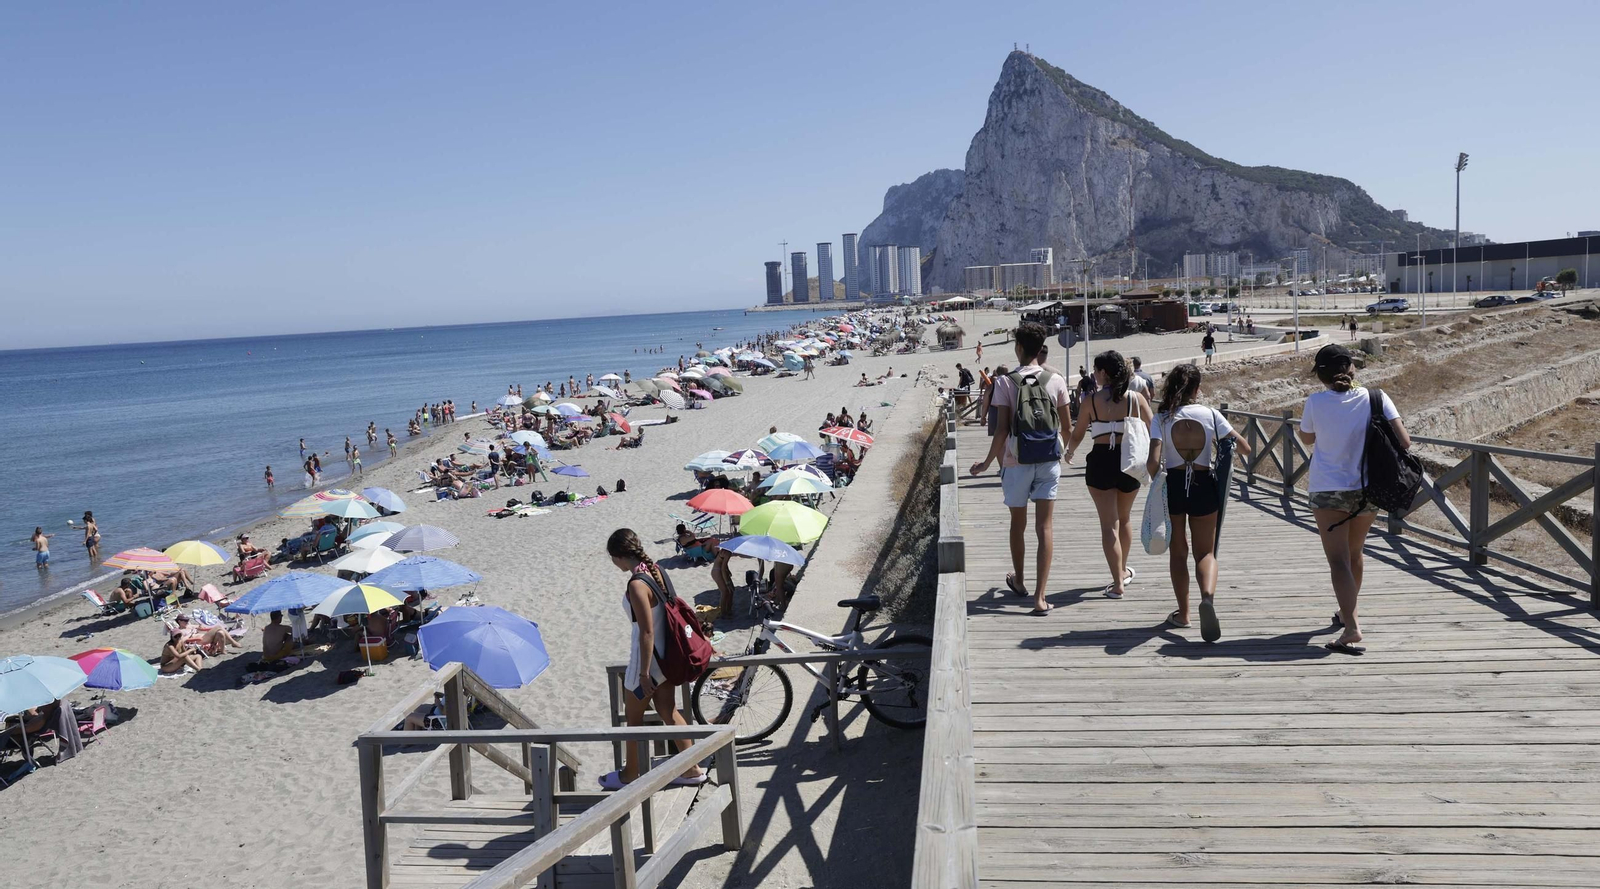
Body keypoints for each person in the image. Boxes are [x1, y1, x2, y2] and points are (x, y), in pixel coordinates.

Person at [1297, 344, 1410, 655]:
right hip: (1367, 489)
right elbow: (1404, 441)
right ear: (1351, 367)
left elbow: (1307, 438)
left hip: (1328, 489)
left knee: (1338, 561)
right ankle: (1347, 613)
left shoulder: (1315, 402)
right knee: (1354, 554)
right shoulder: (1376, 397)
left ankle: (1351, 627)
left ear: (1321, 375)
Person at [968, 322, 1072, 616]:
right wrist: (1059, 450)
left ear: (1018, 348)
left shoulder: (1005, 382)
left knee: (1018, 524)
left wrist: (987, 463)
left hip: (1016, 463)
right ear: (1041, 349)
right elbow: (1067, 426)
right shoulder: (1056, 380)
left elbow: (1001, 430)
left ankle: (1021, 581)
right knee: (1045, 527)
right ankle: (1040, 598)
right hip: (1049, 461)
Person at [1146, 364, 1252, 640]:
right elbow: (1244, 447)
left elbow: (1153, 462)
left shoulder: (1163, 417)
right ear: (1196, 388)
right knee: (1205, 553)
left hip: (1175, 485)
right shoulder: (1211, 414)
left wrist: (1158, 483)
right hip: (1204, 484)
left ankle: (1184, 614)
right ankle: (1207, 598)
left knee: (1178, 553)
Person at [599, 529, 708, 789]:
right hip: (667, 655)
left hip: (648, 662)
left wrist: (644, 674)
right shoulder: (656, 570)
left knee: (633, 721)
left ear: (617, 557)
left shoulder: (637, 584)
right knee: (668, 712)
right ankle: (692, 769)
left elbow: (646, 632)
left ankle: (630, 774)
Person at [1064, 350, 1152, 600]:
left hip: (1101, 461)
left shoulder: (1091, 401)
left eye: (1095, 369)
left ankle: (1117, 582)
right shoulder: (1135, 398)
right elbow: (1153, 428)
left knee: (1108, 524)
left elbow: (1079, 432)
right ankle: (1122, 571)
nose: (1093, 373)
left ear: (1104, 373)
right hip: (1129, 461)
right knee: (1124, 519)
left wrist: (1070, 451)